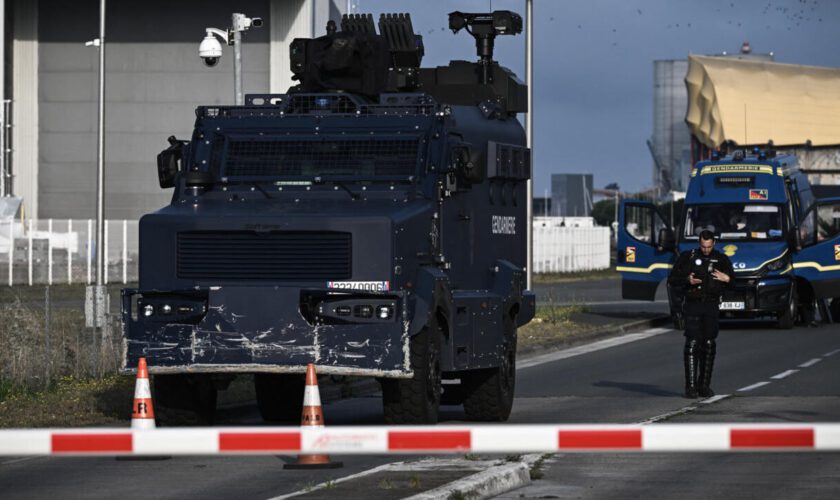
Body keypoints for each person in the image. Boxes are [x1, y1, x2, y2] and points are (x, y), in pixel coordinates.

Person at [668, 230, 734, 398]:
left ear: (714, 244)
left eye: (709, 246)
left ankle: (704, 385)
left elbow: (733, 280)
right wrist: (686, 280)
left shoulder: (721, 259)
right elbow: (672, 279)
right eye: (703, 247)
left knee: (709, 343)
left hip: (711, 305)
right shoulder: (688, 257)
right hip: (693, 305)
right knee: (692, 342)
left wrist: (728, 279)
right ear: (699, 243)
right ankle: (690, 387)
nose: (706, 250)